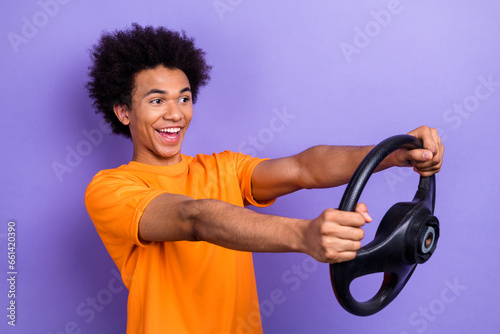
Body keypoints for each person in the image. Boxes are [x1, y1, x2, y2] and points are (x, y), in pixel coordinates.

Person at [84, 23, 443, 334]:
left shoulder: (223, 167)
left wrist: (393, 155)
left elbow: (304, 168)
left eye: (184, 97)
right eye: (157, 101)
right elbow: (193, 217)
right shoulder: (110, 189)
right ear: (124, 112)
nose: (176, 113)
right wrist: (304, 235)